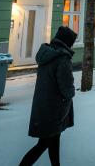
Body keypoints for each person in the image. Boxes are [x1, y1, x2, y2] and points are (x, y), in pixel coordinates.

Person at [20, 26, 77, 166]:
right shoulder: (62, 59)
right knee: (44, 144)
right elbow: (66, 87)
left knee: (53, 141)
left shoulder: (47, 54)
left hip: (43, 105)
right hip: (56, 109)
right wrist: (71, 92)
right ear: (67, 42)